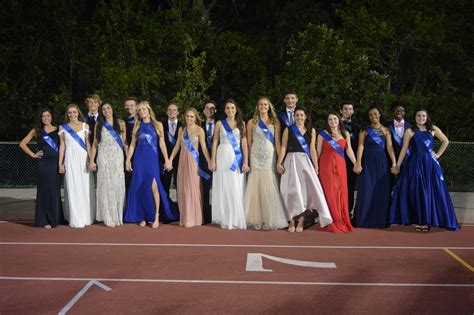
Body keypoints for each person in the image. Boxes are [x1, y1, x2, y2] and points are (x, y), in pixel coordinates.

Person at [390, 109, 459, 231]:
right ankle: (419, 220)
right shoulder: (410, 131)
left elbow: (445, 141)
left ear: (427, 117)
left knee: (431, 191)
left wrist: (437, 154)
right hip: (415, 164)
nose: (421, 118)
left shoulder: (433, 129)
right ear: (415, 117)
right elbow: (404, 149)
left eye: (423, 116)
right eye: (418, 115)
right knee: (417, 191)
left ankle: (427, 221)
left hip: (430, 165)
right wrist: (398, 165)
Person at [276, 106, 333, 232]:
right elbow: (284, 147)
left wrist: (316, 165)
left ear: (305, 116)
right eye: (297, 115)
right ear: (294, 117)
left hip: (305, 163)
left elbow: (312, 149)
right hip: (291, 161)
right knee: (289, 191)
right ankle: (291, 220)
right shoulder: (288, 130)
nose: (299, 117)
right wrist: (279, 162)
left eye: (301, 115)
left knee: (304, 192)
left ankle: (301, 220)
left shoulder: (311, 130)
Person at [124, 101, 177, 228]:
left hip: (152, 160)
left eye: (144, 109)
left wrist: (167, 160)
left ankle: (156, 216)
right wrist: (128, 159)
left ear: (149, 110)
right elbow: (132, 144)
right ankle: (143, 216)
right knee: (141, 187)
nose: (142, 112)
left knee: (154, 187)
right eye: (140, 110)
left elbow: (162, 144)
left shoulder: (157, 124)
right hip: (139, 159)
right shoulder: (137, 126)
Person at [244, 97, 288, 230]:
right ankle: (257, 218)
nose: (263, 106)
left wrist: (280, 161)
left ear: (269, 107)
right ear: (257, 107)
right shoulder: (252, 122)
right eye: (261, 104)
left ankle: (269, 218)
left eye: (265, 104)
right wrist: (248, 159)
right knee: (255, 186)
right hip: (255, 156)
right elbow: (248, 142)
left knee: (269, 185)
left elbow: (278, 142)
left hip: (269, 156)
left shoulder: (275, 122)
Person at [353, 106, 397, 228]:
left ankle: (380, 221)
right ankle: (364, 220)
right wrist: (358, 162)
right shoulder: (364, 130)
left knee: (381, 191)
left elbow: (389, 147)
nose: (373, 116)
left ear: (380, 114)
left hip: (382, 164)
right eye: (371, 115)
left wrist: (394, 163)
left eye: (376, 114)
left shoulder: (386, 130)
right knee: (366, 190)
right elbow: (360, 146)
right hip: (368, 163)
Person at [19, 108, 64, 228]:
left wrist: (62, 162)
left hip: (55, 164)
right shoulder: (36, 130)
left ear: (52, 117)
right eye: (43, 116)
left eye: (48, 116)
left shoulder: (59, 129)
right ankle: (44, 220)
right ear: (41, 118)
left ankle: (55, 218)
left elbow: (63, 146)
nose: (46, 118)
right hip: (43, 164)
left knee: (54, 191)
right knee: (44, 191)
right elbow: (22, 143)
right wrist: (33, 154)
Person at [210, 99, 249, 229]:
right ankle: (225, 217)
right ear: (225, 110)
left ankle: (236, 216)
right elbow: (215, 141)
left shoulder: (241, 123)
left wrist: (245, 161)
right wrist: (212, 160)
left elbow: (244, 143)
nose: (230, 110)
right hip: (222, 156)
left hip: (236, 157)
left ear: (236, 109)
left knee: (235, 186)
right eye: (228, 108)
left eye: (232, 108)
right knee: (223, 186)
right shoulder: (220, 123)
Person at [169, 108, 211, 227]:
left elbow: (203, 147)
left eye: (192, 117)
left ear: (196, 118)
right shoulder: (182, 130)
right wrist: (170, 159)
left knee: (192, 188)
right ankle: (185, 217)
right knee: (183, 188)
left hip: (193, 162)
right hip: (182, 161)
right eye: (187, 116)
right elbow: (177, 146)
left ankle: (194, 218)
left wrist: (209, 162)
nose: (189, 119)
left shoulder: (200, 130)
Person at [317, 112, 356, 233]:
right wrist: (315, 167)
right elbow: (318, 152)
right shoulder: (322, 135)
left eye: (335, 119)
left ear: (339, 120)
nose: (332, 121)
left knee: (340, 191)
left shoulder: (345, 134)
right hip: (326, 166)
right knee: (329, 192)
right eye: (330, 119)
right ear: (327, 121)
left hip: (340, 166)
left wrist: (356, 163)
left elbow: (349, 150)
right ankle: (331, 219)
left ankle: (341, 217)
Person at [89, 102, 126, 227]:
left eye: (108, 108)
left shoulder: (121, 123)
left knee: (117, 184)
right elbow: (95, 143)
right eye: (103, 109)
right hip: (103, 157)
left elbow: (124, 143)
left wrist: (128, 159)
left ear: (112, 109)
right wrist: (92, 160)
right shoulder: (98, 125)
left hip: (117, 157)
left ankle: (117, 215)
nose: (106, 111)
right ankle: (108, 216)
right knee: (106, 185)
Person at [58, 104, 95, 228]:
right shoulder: (63, 127)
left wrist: (91, 161)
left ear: (78, 113)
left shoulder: (85, 126)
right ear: (67, 114)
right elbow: (62, 145)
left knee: (84, 187)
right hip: (70, 160)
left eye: (74, 112)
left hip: (83, 159)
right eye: (70, 113)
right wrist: (60, 163)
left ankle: (85, 217)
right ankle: (75, 218)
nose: (72, 114)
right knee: (72, 187)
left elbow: (89, 145)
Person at [340, 101, 361, 215]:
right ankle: (337, 212)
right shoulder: (335, 125)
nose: (348, 111)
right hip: (338, 160)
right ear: (341, 111)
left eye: (350, 109)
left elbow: (359, 145)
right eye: (345, 109)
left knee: (350, 187)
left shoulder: (358, 127)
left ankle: (348, 212)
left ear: (353, 111)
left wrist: (357, 162)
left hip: (351, 162)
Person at [161, 102, 181, 218]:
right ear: (167, 112)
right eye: (170, 110)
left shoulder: (183, 125)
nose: (172, 112)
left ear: (178, 112)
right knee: (165, 186)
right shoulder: (161, 125)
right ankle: (166, 213)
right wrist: (165, 159)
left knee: (180, 187)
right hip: (165, 161)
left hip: (180, 161)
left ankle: (180, 212)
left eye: (174, 110)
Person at [199, 101, 217, 224]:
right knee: (204, 189)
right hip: (203, 162)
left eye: (212, 108)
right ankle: (206, 216)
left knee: (218, 189)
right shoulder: (198, 124)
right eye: (207, 108)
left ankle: (217, 216)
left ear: (215, 110)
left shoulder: (221, 124)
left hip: (219, 160)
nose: (209, 110)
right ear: (204, 110)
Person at [388, 101, 412, 188]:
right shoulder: (387, 126)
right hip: (391, 161)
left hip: (408, 160)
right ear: (393, 112)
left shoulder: (411, 127)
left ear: (404, 113)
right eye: (396, 110)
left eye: (401, 110)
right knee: (390, 186)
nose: (399, 112)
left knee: (407, 186)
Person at [123, 97, 138, 194]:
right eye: (127, 105)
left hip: (142, 153)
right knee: (129, 180)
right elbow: (125, 140)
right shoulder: (123, 121)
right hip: (128, 152)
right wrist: (128, 157)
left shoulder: (143, 119)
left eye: (132, 105)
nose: (129, 107)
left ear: (137, 107)